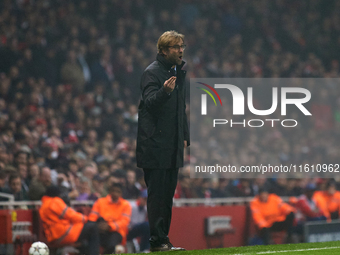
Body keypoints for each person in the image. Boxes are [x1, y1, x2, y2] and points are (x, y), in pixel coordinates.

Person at [136, 30, 189, 252]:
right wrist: (164, 92)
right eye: (176, 47)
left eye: (182, 46)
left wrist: (185, 136)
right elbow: (149, 103)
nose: (181, 50)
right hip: (155, 146)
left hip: (172, 144)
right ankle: (157, 242)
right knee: (158, 196)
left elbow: (180, 110)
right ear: (164, 50)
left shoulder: (177, 71)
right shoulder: (152, 73)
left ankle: (163, 240)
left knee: (167, 196)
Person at [39, 186, 100, 255]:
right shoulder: (54, 201)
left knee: (85, 238)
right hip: (63, 233)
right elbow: (71, 215)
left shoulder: (44, 204)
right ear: (56, 194)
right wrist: (86, 219)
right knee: (92, 227)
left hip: (54, 236)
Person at [88, 183, 132, 254]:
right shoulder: (100, 202)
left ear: (121, 193)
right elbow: (92, 217)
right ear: (110, 191)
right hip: (100, 230)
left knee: (111, 245)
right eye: (113, 191)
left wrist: (110, 226)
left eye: (118, 191)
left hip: (117, 232)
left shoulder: (126, 205)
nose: (115, 193)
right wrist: (98, 225)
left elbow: (124, 222)